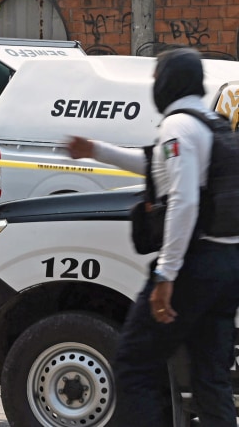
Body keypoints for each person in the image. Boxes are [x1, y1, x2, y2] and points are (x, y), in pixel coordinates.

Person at [67, 47, 239, 426]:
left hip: (194, 266)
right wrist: (96, 150)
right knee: (210, 377)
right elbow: (155, 163)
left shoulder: (179, 125)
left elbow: (184, 200)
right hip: (227, 265)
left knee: (135, 363)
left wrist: (166, 275)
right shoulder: (212, 122)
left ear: (168, 82)